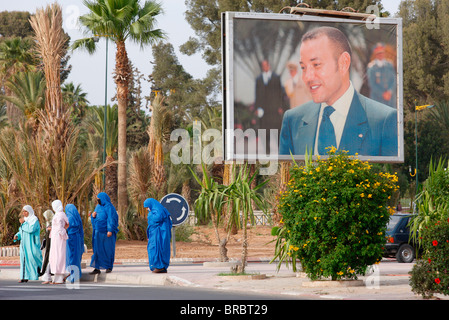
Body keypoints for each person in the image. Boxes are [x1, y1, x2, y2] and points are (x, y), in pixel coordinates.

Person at [279, 26, 398, 157]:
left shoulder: (383, 120)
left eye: (316, 64)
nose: (307, 77)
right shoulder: (293, 120)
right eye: (303, 67)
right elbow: (285, 175)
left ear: (343, 63)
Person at [254, 59, 288, 133]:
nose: (265, 67)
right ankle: (266, 144)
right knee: (264, 129)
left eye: (266, 65)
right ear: (262, 67)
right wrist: (256, 108)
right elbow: (257, 94)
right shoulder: (258, 79)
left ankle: (279, 144)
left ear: (269, 66)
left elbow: (280, 93)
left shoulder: (276, 77)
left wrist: (281, 106)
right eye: (263, 66)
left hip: (274, 108)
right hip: (263, 109)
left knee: (277, 129)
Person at [90, 192, 119, 274]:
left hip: (106, 233)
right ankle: (97, 268)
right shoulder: (98, 207)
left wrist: (110, 230)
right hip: (98, 232)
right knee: (97, 250)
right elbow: (95, 219)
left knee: (108, 249)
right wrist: (93, 216)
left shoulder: (109, 207)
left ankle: (108, 266)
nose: (98, 201)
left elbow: (111, 219)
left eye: (99, 199)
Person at [13, 205, 43, 283]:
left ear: (29, 211)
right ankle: (24, 277)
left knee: (33, 259)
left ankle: (41, 273)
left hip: (32, 244)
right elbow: (22, 231)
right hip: (24, 244)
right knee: (24, 260)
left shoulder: (34, 220)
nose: (24, 213)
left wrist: (24, 223)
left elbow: (31, 229)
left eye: (26, 211)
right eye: (23, 211)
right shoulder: (25, 221)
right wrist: (17, 235)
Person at [144, 198, 172, 273]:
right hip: (155, 234)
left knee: (157, 249)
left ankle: (159, 266)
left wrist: (150, 215)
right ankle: (159, 266)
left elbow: (158, 218)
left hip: (159, 234)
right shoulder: (154, 211)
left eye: (147, 207)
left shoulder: (158, 211)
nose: (147, 209)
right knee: (154, 248)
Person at [367, 43, 397, 108]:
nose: (380, 55)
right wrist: (383, 94)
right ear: (375, 54)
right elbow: (372, 84)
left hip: (390, 100)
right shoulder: (372, 67)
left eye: (382, 52)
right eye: (378, 53)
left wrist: (390, 92)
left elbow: (394, 80)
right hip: (377, 100)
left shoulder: (389, 65)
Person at [48, 200, 69, 284]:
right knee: (56, 256)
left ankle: (59, 279)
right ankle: (62, 275)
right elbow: (66, 224)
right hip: (56, 237)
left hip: (58, 238)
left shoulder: (59, 215)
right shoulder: (60, 214)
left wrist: (61, 232)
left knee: (58, 256)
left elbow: (61, 226)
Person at [65, 204, 84, 283]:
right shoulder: (77, 218)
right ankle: (76, 275)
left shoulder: (69, 218)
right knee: (76, 257)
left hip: (70, 239)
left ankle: (71, 276)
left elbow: (67, 229)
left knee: (70, 257)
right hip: (77, 239)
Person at [39, 209, 54, 284]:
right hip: (48, 245)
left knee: (50, 259)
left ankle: (48, 277)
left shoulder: (53, 223)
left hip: (52, 245)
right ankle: (47, 277)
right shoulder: (48, 223)